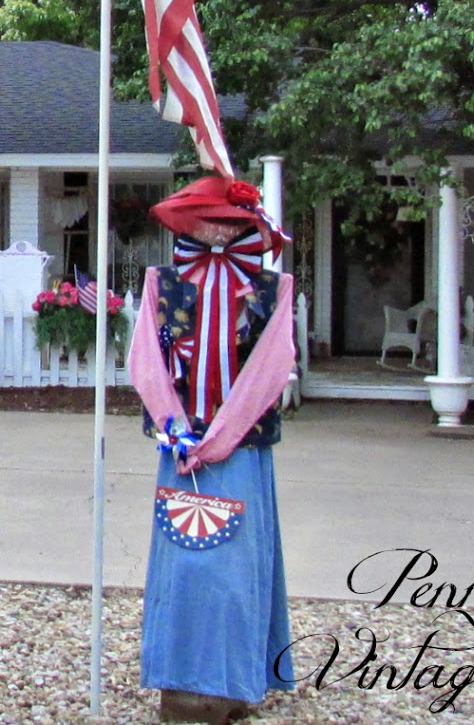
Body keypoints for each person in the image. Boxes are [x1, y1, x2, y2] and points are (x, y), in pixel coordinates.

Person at [127, 175, 297, 723]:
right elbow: (146, 363)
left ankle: (230, 685)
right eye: (208, 220)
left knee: (233, 570)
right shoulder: (165, 284)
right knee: (184, 570)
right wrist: (177, 429)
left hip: (239, 450)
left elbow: (270, 370)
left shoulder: (272, 290)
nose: (216, 231)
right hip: (183, 452)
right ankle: (182, 687)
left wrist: (217, 440)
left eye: (228, 222)